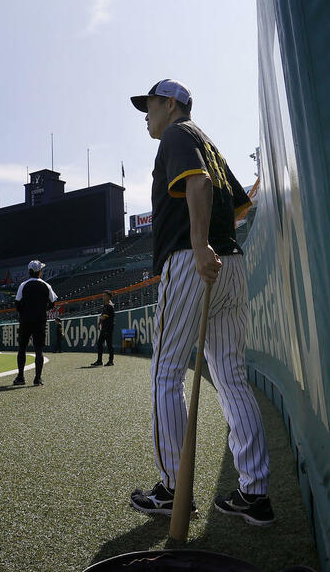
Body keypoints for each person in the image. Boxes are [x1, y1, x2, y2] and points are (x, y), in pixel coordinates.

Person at [127, 79, 273, 526]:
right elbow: (241, 206)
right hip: (230, 264)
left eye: (149, 105)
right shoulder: (209, 142)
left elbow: (201, 185)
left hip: (194, 261)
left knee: (166, 371)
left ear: (171, 104)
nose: (146, 114)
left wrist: (198, 242)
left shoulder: (178, 133)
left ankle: (173, 489)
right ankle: (255, 494)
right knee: (230, 378)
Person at [13, 259, 57, 386]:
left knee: (22, 348)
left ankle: (20, 377)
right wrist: (43, 310)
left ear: (29, 271)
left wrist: (24, 313)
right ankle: (37, 379)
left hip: (25, 320)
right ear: (40, 272)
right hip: (39, 321)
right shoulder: (46, 285)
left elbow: (17, 303)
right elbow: (53, 303)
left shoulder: (23, 285)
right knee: (39, 349)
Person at [91, 290, 116, 366]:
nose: (103, 297)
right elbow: (103, 315)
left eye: (105, 295)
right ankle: (109, 361)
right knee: (108, 344)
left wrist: (99, 321)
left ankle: (101, 361)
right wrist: (99, 323)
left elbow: (104, 316)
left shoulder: (108, 305)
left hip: (107, 327)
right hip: (107, 327)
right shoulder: (107, 305)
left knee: (101, 343)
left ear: (109, 296)